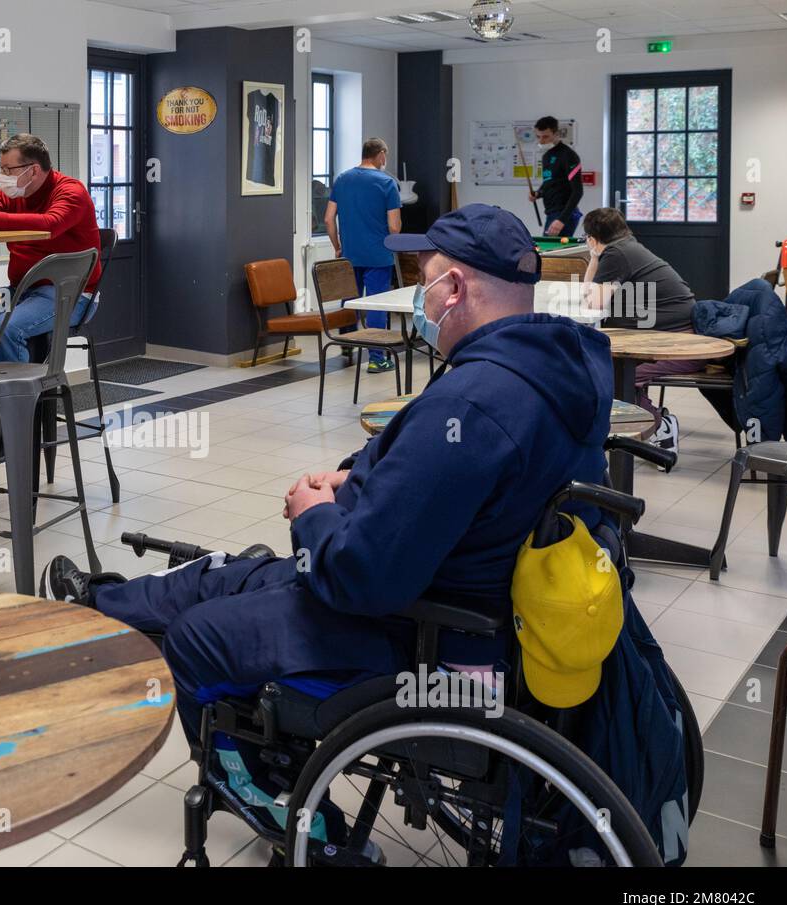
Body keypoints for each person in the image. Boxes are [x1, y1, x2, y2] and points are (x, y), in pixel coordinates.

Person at [40, 205, 615, 830]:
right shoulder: (552, 369)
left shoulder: (474, 401)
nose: (422, 293)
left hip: (425, 637)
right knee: (232, 573)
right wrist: (359, 477)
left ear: (453, 289)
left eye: (426, 277)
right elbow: (441, 477)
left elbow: (358, 577)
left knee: (200, 637)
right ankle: (95, 612)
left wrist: (312, 513)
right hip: (471, 600)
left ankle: (273, 804)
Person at [0, 134, 101, 364]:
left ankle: (12, 399)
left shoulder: (71, 192)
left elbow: (50, 224)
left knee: (7, 328)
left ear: (33, 171)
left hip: (70, 294)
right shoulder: (13, 195)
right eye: (1, 168)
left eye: (8, 169)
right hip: (20, 292)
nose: (2, 176)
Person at [581, 206, 697, 452]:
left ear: (592, 238)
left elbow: (593, 301)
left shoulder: (616, 254)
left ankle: (660, 427)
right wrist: (594, 256)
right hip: (675, 335)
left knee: (618, 376)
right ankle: (652, 423)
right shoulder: (627, 245)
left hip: (681, 344)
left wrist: (594, 256)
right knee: (614, 369)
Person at [324, 137, 402, 372]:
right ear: (380, 154)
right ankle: (377, 358)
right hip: (378, 254)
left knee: (350, 299)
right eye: (385, 156)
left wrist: (337, 246)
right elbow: (394, 226)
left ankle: (346, 342)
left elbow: (328, 219)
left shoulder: (342, 179)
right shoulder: (387, 183)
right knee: (376, 304)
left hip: (350, 254)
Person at [529, 116, 583, 238]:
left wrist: (562, 220)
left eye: (545, 136)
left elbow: (578, 191)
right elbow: (549, 182)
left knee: (549, 255)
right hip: (552, 212)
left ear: (556, 133)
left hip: (564, 215)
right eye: (538, 137)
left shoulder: (568, 155)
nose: (541, 141)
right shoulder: (546, 156)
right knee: (547, 254)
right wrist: (538, 193)